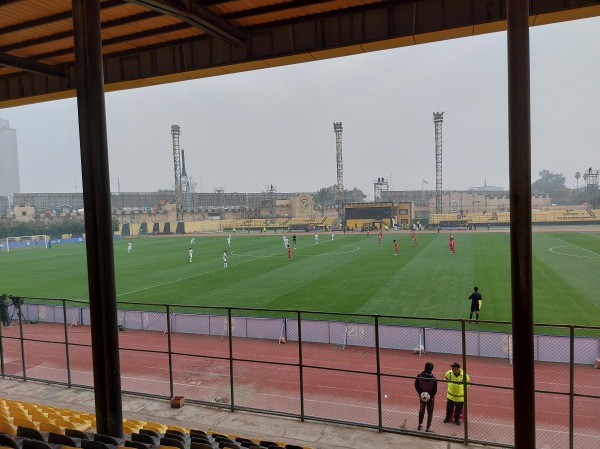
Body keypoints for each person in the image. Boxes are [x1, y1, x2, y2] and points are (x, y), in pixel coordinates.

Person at [415, 362, 437, 432]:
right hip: (430, 398)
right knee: (430, 412)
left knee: (422, 409)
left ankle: (420, 424)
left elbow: (416, 385)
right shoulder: (433, 378)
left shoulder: (419, 375)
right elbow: (435, 389)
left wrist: (421, 393)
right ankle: (428, 428)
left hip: (422, 397)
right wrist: (430, 396)